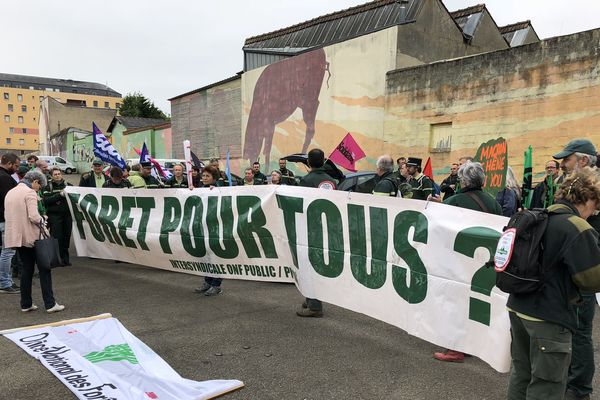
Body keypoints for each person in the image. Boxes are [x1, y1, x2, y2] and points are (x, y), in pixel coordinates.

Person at [506, 168, 600, 400]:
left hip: (518, 307)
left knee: (522, 374)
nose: (594, 211)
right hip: (549, 316)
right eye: (595, 205)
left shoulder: (537, 216)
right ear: (587, 198)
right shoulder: (577, 227)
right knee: (547, 385)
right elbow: (592, 280)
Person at [431, 162, 502, 362]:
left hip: (459, 261)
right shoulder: (492, 202)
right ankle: (472, 344)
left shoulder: (453, 201)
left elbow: (438, 230)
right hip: (485, 261)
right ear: (483, 180)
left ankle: (455, 349)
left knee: (455, 302)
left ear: (462, 181)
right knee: (476, 302)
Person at [552, 138, 598, 400]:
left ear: (582, 160)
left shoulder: (594, 190)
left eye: (567, 159)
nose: (562, 164)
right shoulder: (572, 186)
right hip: (569, 266)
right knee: (568, 327)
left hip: (585, 267)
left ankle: (579, 389)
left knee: (580, 331)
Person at [5, 170, 65, 313]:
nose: (39, 189)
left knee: (26, 270)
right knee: (45, 269)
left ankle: (25, 304)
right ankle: (50, 304)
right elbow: (33, 216)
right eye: (39, 185)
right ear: (35, 181)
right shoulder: (30, 193)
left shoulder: (11, 192)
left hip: (17, 237)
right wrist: (44, 219)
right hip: (33, 237)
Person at [296, 148, 337, 318]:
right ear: (324, 161)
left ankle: (314, 305)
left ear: (308, 163)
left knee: (309, 267)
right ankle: (311, 298)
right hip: (329, 230)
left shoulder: (306, 180)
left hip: (311, 231)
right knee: (319, 266)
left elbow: (301, 206)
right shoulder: (332, 180)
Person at [194, 166, 223, 297]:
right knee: (205, 257)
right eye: (203, 176)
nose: (204, 178)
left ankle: (216, 285)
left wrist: (215, 191)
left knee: (215, 257)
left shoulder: (219, 189)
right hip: (203, 227)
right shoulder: (201, 189)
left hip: (214, 228)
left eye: (207, 176)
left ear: (214, 178)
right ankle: (208, 281)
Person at [42, 168, 73, 266]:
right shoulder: (47, 187)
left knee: (66, 237)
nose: (57, 176)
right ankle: (57, 259)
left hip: (67, 215)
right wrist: (59, 195)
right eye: (55, 174)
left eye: (59, 174)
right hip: (54, 216)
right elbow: (46, 201)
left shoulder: (69, 186)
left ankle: (65, 259)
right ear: (51, 176)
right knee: (57, 237)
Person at [0, 153, 20, 294]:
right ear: (9, 163)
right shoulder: (5, 178)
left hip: (2, 219)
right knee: (8, 252)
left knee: (4, 252)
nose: (17, 169)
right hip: (6, 219)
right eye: (16, 166)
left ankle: (5, 280)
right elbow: (11, 201)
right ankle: (5, 282)